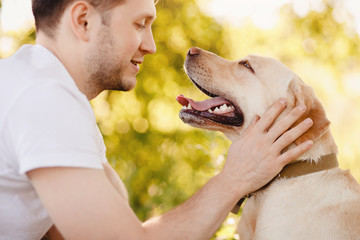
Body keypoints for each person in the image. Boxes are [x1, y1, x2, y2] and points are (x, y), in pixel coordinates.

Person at [0, 0, 314, 239]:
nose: (150, 45)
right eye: (140, 24)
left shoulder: (41, 90)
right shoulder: (43, 98)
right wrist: (234, 179)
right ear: (83, 21)